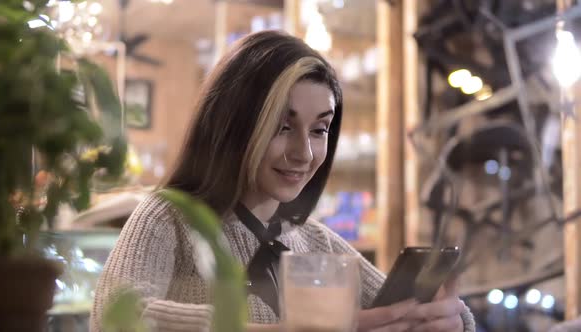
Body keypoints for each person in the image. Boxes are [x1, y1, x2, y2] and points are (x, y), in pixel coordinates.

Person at [91, 30, 475, 332]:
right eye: (283, 126)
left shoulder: (315, 241)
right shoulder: (169, 218)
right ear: (233, 124)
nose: (304, 154)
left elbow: (412, 314)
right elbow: (114, 316)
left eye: (320, 129)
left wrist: (451, 321)